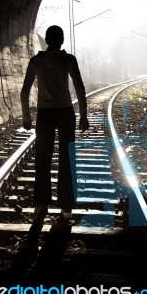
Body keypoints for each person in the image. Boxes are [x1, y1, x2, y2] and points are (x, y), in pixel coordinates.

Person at [19, 25, 89, 248]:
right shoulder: (68, 59)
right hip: (66, 113)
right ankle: (66, 209)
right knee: (66, 161)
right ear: (62, 40)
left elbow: (24, 91)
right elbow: (79, 88)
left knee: (43, 160)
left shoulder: (35, 62)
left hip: (45, 115)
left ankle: (40, 207)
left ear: (46, 40)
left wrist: (26, 117)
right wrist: (84, 116)